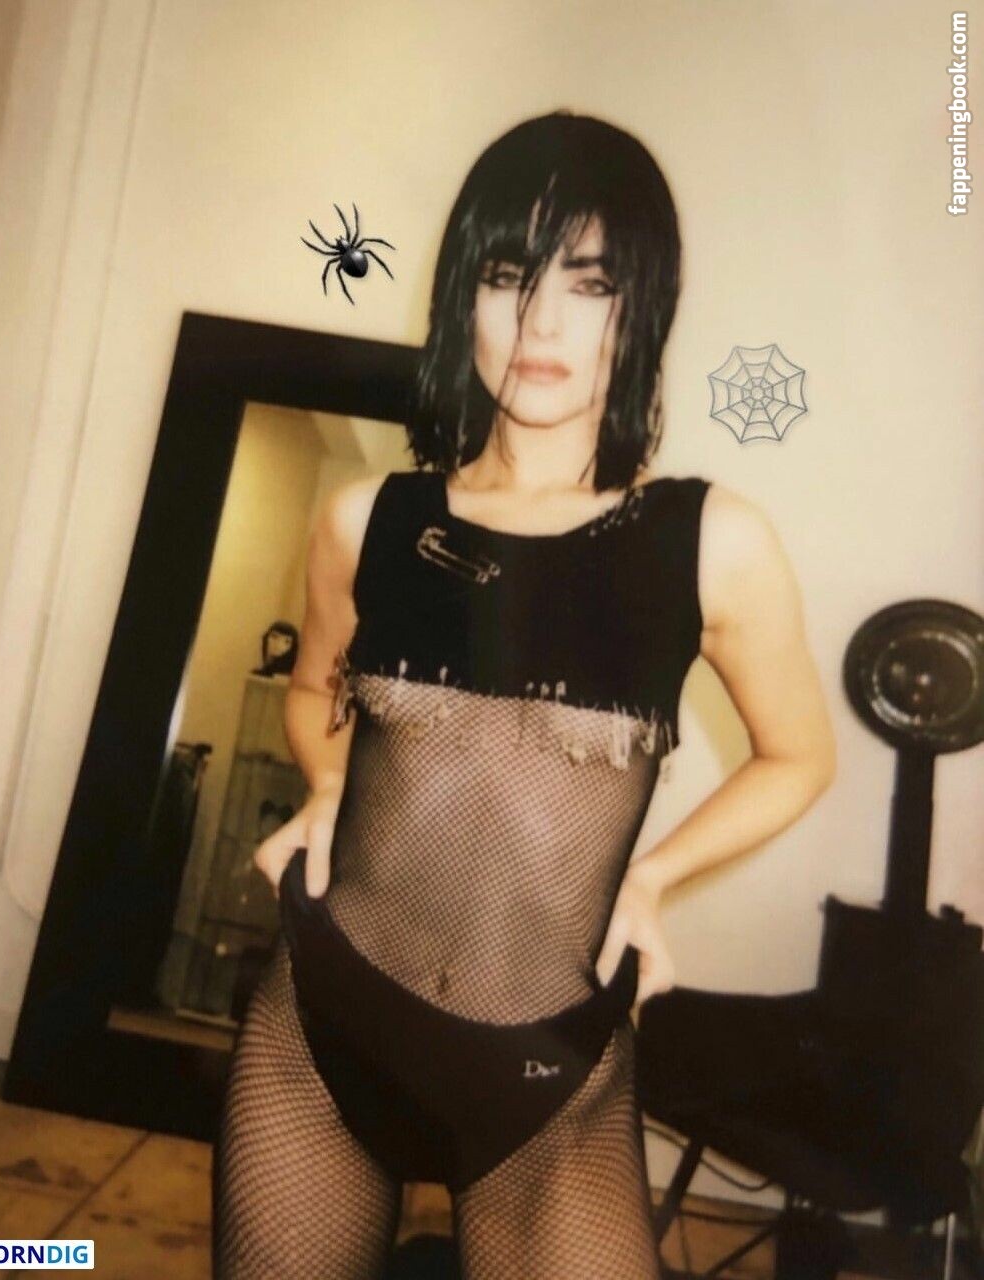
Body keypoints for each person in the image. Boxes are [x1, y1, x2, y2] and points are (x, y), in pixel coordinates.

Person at [211, 110, 837, 1279]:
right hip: (320, 1031)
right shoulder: (367, 519)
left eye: (589, 284)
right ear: (465, 294)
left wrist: (651, 877)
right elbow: (310, 693)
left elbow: (800, 753)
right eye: (510, 275)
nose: (542, 320)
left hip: (548, 1072)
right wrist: (330, 783)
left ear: (641, 310)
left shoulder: (711, 543)